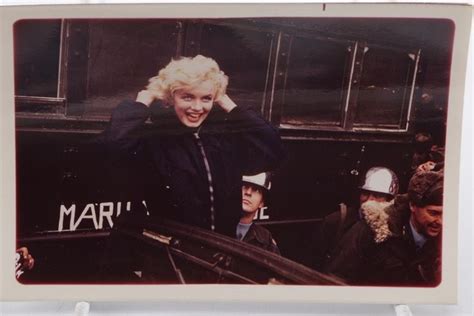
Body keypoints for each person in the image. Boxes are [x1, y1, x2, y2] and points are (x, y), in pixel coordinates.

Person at [101, 54, 284, 237]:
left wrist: (230, 106)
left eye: (206, 98)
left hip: (223, 251)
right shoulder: (155, 141)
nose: (197, 108)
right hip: (177, 256)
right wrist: (141, 103)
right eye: (187, 97)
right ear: (171, 98)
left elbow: (274, 150)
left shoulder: (224, 140)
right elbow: (113, 147)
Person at [311, 167, 399, 271]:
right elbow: (313, 263)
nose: (369, 199)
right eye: (365, 193)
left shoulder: (393, 229)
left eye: (377, 195)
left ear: (390, 200)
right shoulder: (335, 221)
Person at [372, 170, 443, 286]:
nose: (441, 221)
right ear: (412, 206)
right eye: (433, 213)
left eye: (446, 214)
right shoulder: (375, 231)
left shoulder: (451, 244)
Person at [237, 172, 280, 254]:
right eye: (244, 186)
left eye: (256, 190)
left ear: (261, 203)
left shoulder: (266, 241)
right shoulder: (215, 225)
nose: (248, 193)